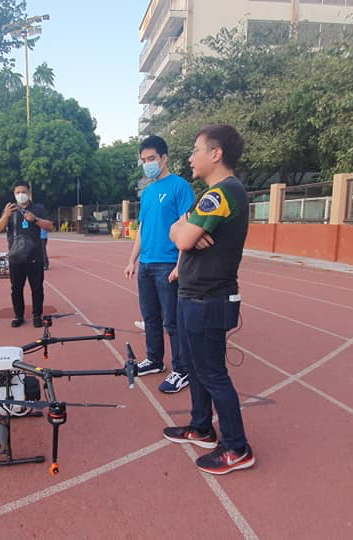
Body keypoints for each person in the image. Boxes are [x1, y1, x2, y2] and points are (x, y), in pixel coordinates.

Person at [164, 124, 253, 475]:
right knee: (197, 369)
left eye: (196, 149)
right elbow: (183, 234)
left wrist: (183, 231)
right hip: (194, 295)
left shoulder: (221, 193)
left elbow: (184, 239)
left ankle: (237, 447)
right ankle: (201, 427)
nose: (190, 157)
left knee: (213, 373)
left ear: (216, 154)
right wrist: (182, 229)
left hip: (208, 298)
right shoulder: (215, 196)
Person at [124, 135, 195, 394]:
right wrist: (132, 260)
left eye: (151, 159)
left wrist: (180, 264)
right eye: (144, 160)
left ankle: (181, 370)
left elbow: (186, 226)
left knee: (173, 321)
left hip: (168, 264)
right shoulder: (148, 192)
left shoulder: (180, 186)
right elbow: (142, 228)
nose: (147, 164)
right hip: (147, 264)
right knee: (150, 317)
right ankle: (154, 360)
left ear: (164, 158)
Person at [0, 181, 54, 328]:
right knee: (16, 288)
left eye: (23, 192)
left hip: (35, 255)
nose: (21, 195)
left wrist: (35, 219)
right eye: (17, 192)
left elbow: (50, 226)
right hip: (16, 256)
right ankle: (18, 315)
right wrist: (6, 215)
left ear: (29, 194)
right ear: (14, 195)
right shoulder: (10, 209)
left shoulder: (38, 208)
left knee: (37, 287)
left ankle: (37, 315)